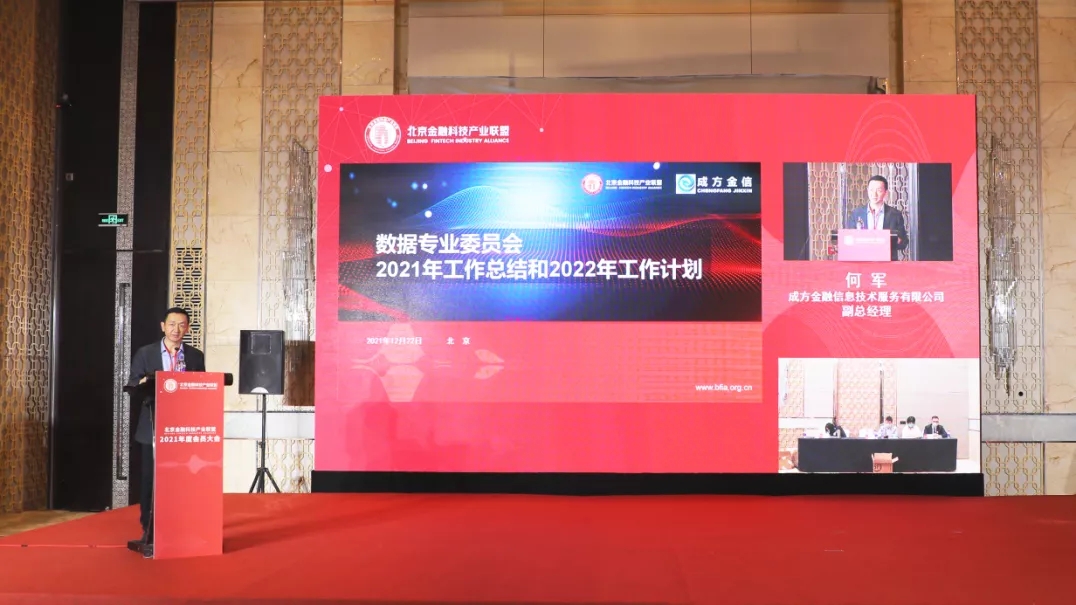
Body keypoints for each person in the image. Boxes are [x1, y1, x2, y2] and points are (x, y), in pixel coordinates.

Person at [126, 307, 205, 547]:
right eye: (171, 324)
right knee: (150, 480)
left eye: (181, 325)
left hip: (183, 427)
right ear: (163, 326)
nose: (176, 329)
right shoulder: (145, 353)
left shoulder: (195, 356)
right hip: (152, 424)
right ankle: (148, 529)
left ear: (187, 328)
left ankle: (181, 526)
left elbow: (202, 387)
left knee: (181, 479)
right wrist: (145, 382)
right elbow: (132, 385)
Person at [845, 175, 910, 261]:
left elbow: (904, 242)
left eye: (879, 190)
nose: (874, 194)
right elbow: (849, 239)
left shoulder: (895, 215)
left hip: (887, 262)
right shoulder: (856, 214)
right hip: (862, 262)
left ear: (885, 193)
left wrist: (893, 241)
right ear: (867, 190)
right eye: (871, 190)